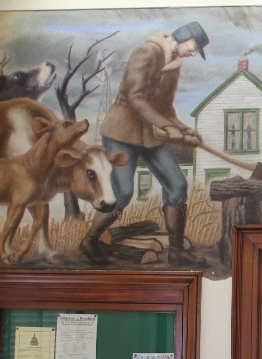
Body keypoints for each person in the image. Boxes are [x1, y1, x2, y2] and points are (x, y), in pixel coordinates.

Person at [81, 21, 210, 266]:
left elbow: (165, 107)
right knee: (123, 193)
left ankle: (176, 251)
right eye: (194, 47)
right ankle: (89, 241)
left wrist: (184, 129)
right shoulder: (146, 52)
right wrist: (168, 127)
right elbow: (135, 97)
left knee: (177, 185)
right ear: (182, 36)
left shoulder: (175, 64)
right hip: (122, 132)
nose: (194, 53)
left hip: (151, 136)